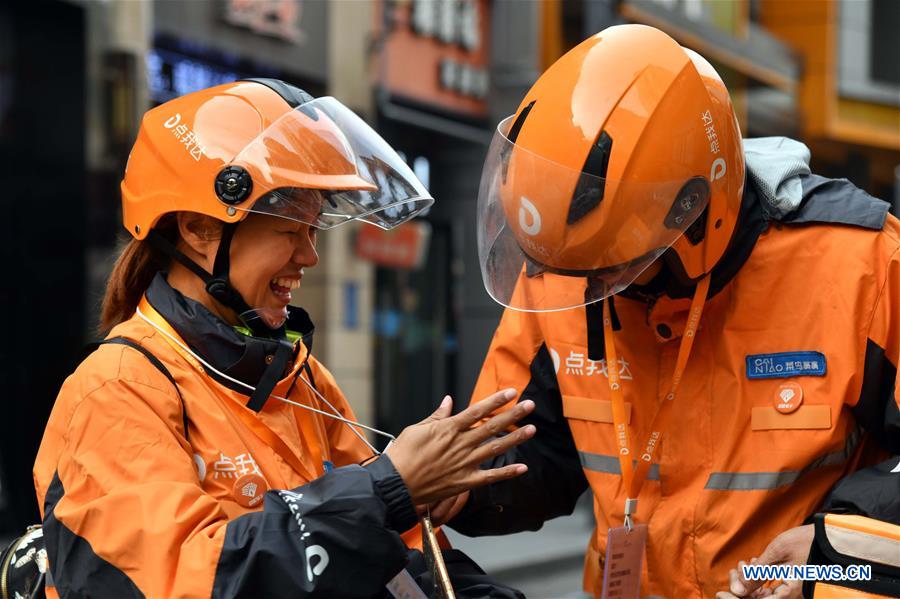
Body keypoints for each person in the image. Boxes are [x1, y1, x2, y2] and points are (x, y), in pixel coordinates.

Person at [32, 79, 537, 598]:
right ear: (198, 229)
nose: (309, 256)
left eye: (314, 229)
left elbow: (401, 563)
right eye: (290, 228)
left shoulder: (296, 373)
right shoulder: (117, 389)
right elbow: (186, 582)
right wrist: (387, 489)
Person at [448, 24, 900, 598]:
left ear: (693, 213)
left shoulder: (860, 263)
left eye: (613, 267)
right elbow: (532, 451)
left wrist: (834, 550)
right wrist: (460, 486)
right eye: (573, 270)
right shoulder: (559, 270)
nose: (591, 290)